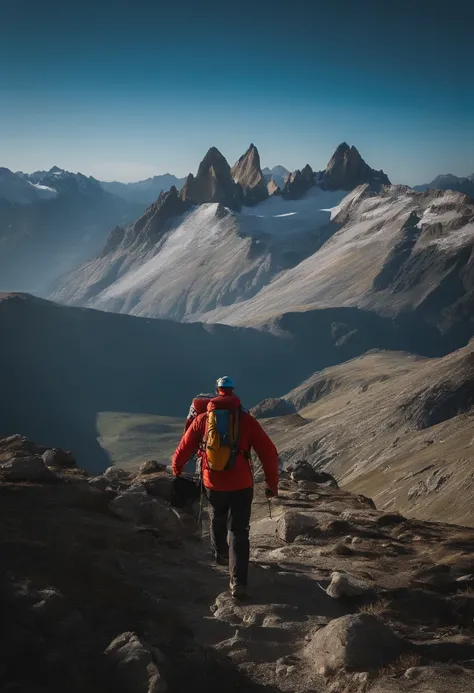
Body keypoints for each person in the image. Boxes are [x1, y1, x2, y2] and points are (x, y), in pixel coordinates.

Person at [172, 376, 279, 599]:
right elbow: (268, 452)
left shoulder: (202, 419)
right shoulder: (246, 420)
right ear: (233, 392)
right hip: (241, 484)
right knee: (240, 532)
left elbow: (184, 446)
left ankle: (221, 556)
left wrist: (177, 468)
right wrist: (271, 484)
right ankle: (238, 582)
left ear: (217, 391)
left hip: (213, 482)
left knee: (216, 518)